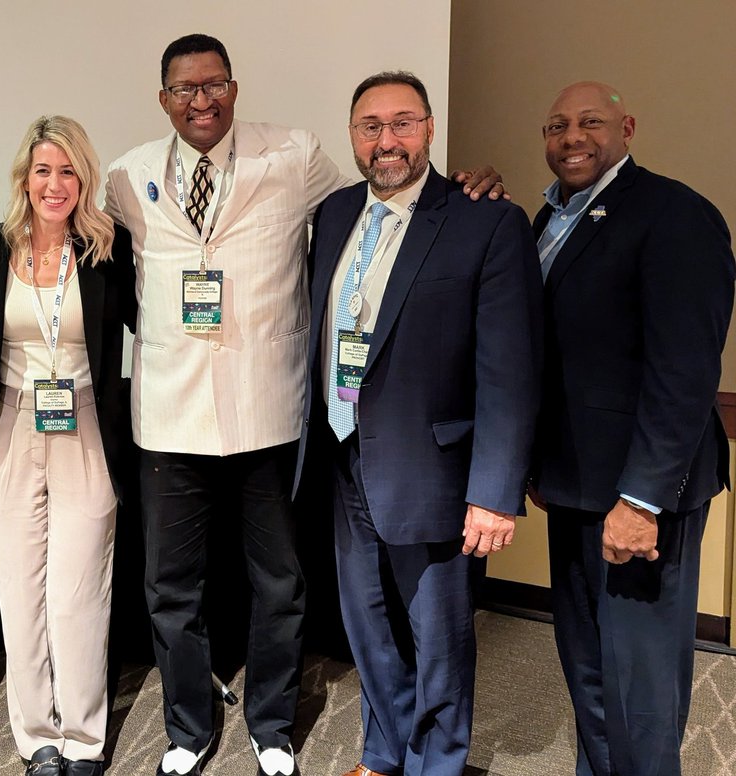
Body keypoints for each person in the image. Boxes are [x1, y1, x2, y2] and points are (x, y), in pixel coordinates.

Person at [103, 35, 503, 776]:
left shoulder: (294, 155)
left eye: (214, 84)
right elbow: (89, 246)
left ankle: (272, 725)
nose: (201, 100)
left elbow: (388, 196)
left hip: (270, 412)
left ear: (234, 88)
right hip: (169, 416)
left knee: (280, 583)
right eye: (185, 88)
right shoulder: (127, 175)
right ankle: (187, 729)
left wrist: (466, 183)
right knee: (169, 589)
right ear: (164, 99)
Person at [293, 71, 542, 776]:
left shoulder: (484, 220)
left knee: (439, 640)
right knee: (367, 625)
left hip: (434, 468)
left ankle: (437, 763)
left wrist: (494, 492)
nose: (387, 140)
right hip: (345, 458)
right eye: (370, 126)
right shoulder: (335, 214)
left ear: (430, 128)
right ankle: (383, 752)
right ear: (352, 136)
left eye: (403, 123)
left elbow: (510, 369)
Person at [530, 81, 734, 776]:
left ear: (628, 129)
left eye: (591, 121)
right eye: (557, 125)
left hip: (640, 496)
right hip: (574, 486)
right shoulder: (551, 216)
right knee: (588, 666)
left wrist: (642, 500)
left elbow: (685, 371)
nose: (572, 136)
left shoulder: (673, 214)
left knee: (639, 685)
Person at [0, 116, 136, 776]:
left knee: (79, 590)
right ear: (24, 177)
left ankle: (84, 737)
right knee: (19, 588)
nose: (55, 184)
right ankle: (37, 733)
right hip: (11, 427)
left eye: (68, 171)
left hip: (86, 426)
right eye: (43, 170)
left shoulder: (107, 249)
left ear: (84, 180)